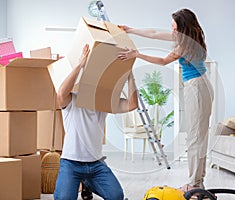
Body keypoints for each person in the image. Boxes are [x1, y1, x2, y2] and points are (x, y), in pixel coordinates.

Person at [118, 8, 214, 192]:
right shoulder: (190, 37)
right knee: (199, 136)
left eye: (174, 27)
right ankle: (198, 182)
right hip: (200, 85)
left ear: (182, 27)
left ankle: (194, 184)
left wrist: (136, 55)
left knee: (194, 137)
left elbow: (162, 61)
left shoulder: (185, 44)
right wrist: (131, 29)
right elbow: (154, 34)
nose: (171, 30)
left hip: (196, 87)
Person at [54, 44, 138, 200]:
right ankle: (84, 182)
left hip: (95, 164)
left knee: (116, 196)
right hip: (71, 163)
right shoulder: (72, 100)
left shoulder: (104, 102)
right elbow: (61, 93)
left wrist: (129, 74)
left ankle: (87, 182)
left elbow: (132, 104)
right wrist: (80, 65)